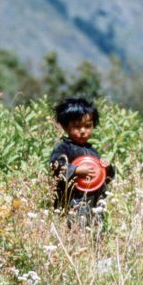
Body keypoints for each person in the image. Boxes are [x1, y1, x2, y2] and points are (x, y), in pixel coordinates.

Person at [50, 96, 114, 228]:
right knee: (74, 227)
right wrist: (75, 170)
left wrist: (107, 168)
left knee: (94, 227)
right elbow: (55, 167)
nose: (83, 131)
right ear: (65, 127)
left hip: (93, 201)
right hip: (72, 201)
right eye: (77, 126)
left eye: (88, 126)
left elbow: (105, 178)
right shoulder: (64, 148)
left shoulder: (93, 151)